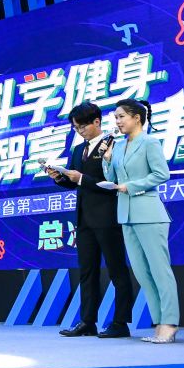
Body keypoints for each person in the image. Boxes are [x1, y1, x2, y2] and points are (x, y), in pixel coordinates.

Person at [48, 102, 133, 338]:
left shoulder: (114, 144)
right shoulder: (78, 150)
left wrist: (81, 178)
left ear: (97, 121)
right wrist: (59, 177)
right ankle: (87, 321)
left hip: (108, 217)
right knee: (87, 272)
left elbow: (115, 182)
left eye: (83, 126)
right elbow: (73, 181)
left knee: (117, 270)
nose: (80, 131)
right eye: (76, 128)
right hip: (84, 219)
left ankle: (121, 322)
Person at [103, 97, 178, 344]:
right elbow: (113, 178)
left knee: (159, 270)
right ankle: (159, 323)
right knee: (142, 272)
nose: (117, 121)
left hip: (149, 213)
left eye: (121, 116)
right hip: (126, 214)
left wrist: (131, 186)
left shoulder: (150, 142)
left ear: (137, 118)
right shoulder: (119, 146)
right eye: (115, 117)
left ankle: (169, 323)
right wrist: (107, 159)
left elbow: (161, 174)